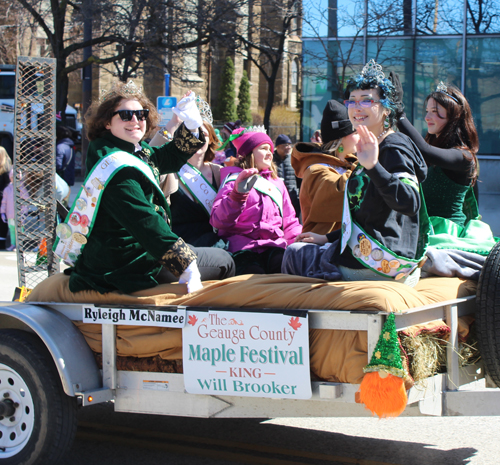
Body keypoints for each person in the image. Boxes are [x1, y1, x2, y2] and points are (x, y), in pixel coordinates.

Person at [54, 82, 234, 295]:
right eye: (126, 115)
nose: (135, 121)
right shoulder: (114, 165)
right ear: (106, 122)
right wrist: (184, 262)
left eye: (141, 114)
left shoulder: (130, 149)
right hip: (125, 263)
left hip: (142, 250)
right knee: (225, 260)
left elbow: (166, 157)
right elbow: (144, 220)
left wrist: (193, 128)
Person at [283, 59, 428, 287]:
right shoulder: (372, 146)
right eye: (351, 101)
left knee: (294, 254)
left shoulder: (393, 145)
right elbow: (367, 217)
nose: (356, 107)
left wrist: (373, 166)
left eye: (367, 100)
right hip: (371, 255)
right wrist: (327, 237)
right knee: (300, 248)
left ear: (386, 108)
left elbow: (410, 202)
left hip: (377, 264)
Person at [389, 74, 498, 265]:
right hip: (423, 230)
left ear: (453, 115)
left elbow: (425, 150)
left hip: (446, 236)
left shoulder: (464, 156)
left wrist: (400, 114)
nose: (427, 117)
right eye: (427, 110)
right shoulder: (433, 151)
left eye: (435, 111)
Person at [210, 127, 302, 275]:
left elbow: (289, 221)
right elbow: (218, 221)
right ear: (249, 152)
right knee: (252, 276)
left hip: (275, 246)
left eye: (270, 149)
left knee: (285, 272)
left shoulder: (277, 183)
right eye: (263, 148)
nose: (269, 153)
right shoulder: (234, 181)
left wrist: (299, 241)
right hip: (242, 248)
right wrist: (237, 195)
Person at [149, 97, 224, 247]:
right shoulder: (171, 171)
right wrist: (173, 122)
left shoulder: (219, 173)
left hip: (215, 244)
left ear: (211, 139)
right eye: (193, 133)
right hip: (180, 246)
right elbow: (149, 160)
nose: (199, 138)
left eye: (204, 134)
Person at [291, 100, 359, 234]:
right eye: (356, 132)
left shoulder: (351, 163)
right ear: (340, 139)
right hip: (322, 248)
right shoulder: (315, 170)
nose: (361, 136)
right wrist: (366, 164)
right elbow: (343, 194)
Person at [273, 134, 301, 217]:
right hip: (277, 199)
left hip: (293, 200)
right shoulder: (271, 160)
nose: (289, 147)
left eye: (290, 145)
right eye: (286, 145)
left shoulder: (293, 159)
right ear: (278, 147)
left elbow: (299, 178)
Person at [0, 168, 15, 250]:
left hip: (19, 215)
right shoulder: (7, 189)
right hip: (9, 214)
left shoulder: (22, 188)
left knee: (19, 230)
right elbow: (4, 202)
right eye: (12, 176)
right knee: (12, 230)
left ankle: (19, 244)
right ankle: (13, 244)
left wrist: (24, 212)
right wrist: (2, 212)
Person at [0, 146, 11, 249]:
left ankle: (2, 242)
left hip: (3, 200)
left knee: (3, 221)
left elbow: (6, 188)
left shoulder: (6, 171)